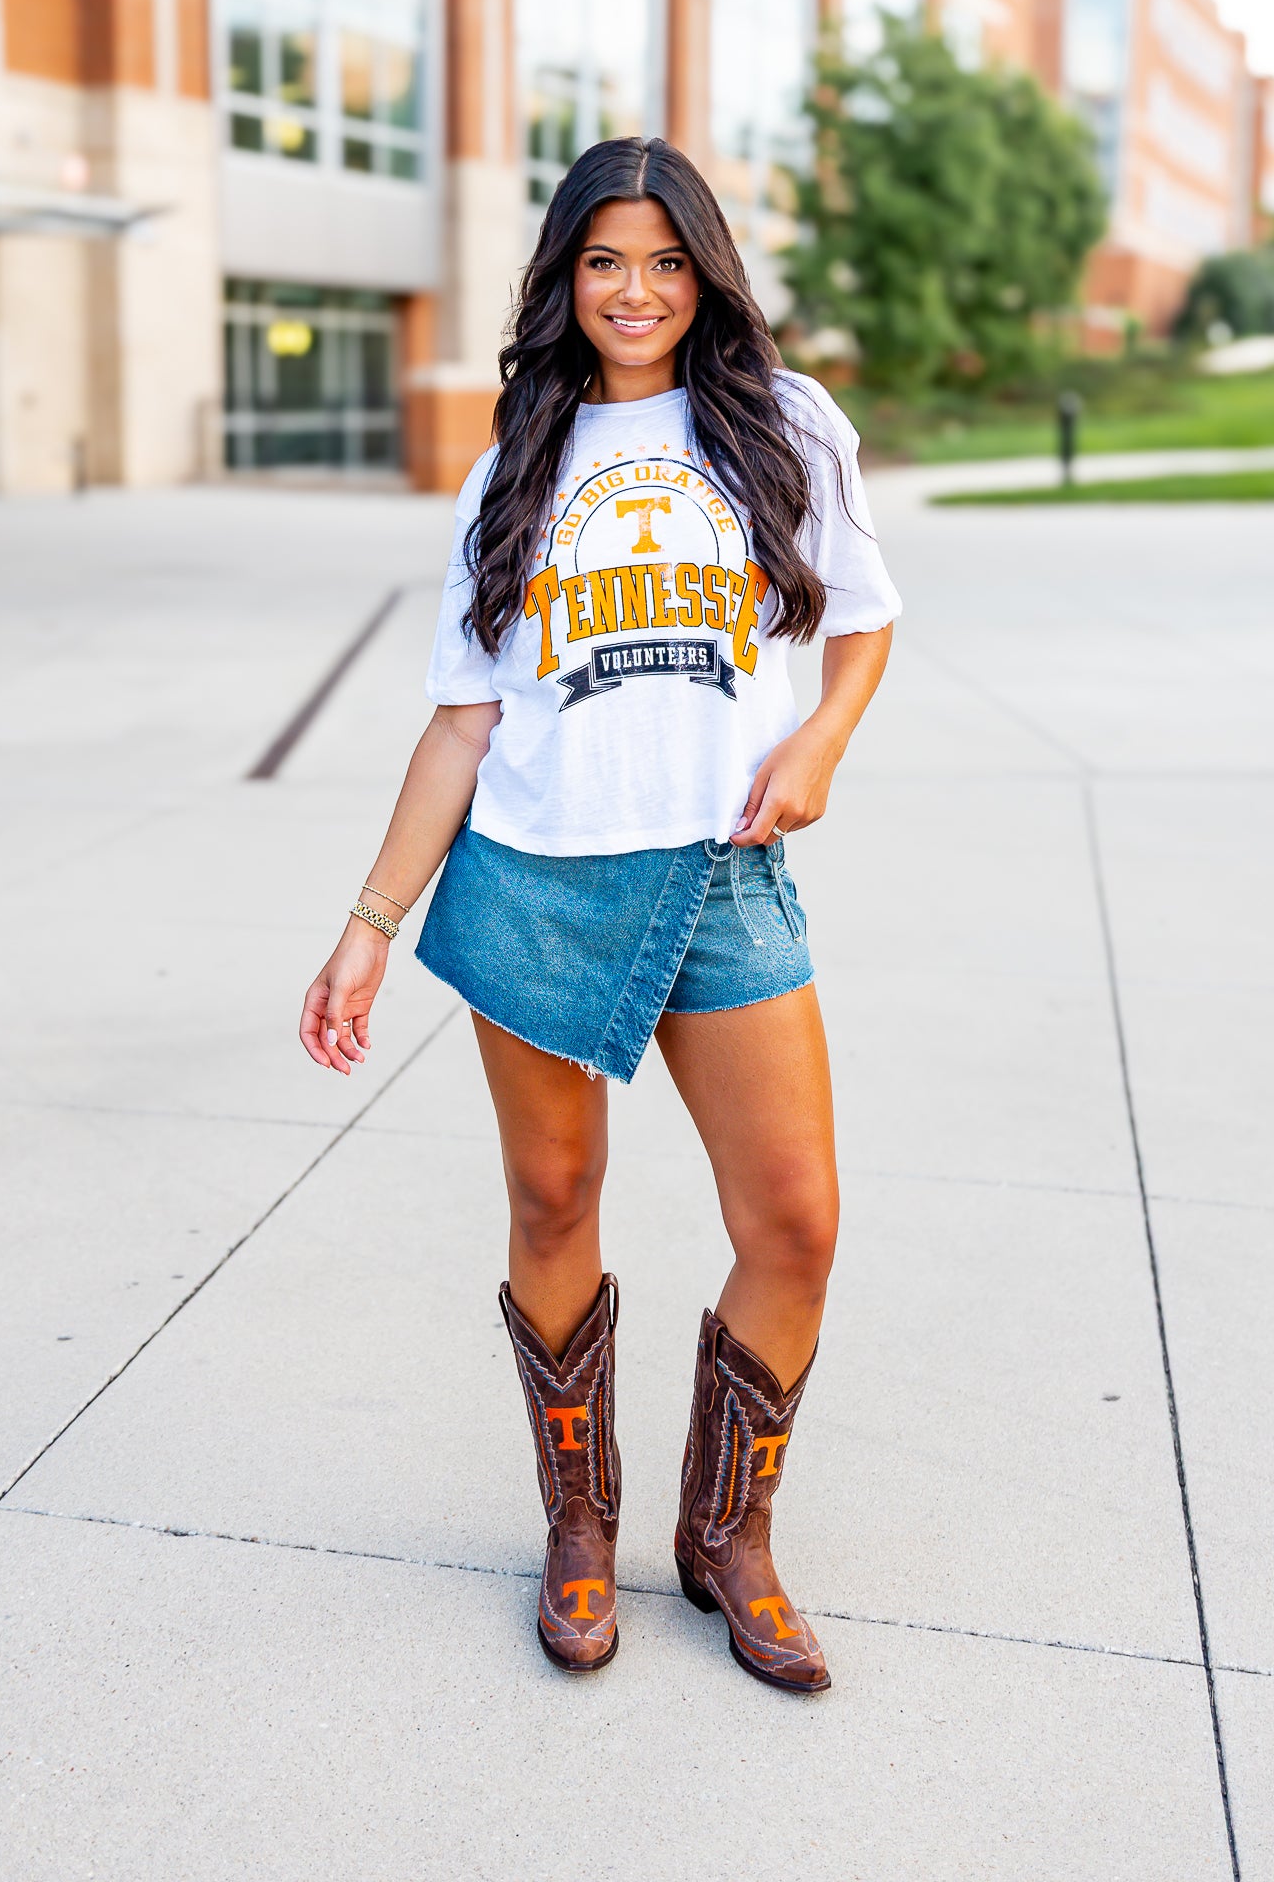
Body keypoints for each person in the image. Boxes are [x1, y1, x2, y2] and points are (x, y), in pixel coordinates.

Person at [300, 136, 899, 1693]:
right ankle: (580, 1520)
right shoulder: (517, 466)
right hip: (533, 880)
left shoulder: (783, 425)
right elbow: (462, 725)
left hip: (720, 875)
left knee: (796, 1221)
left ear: (707, 274)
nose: (636, 292)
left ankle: (730, 1535)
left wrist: (820, 745)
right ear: (565, 278)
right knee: (555, 1201)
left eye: (666, 262)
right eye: (605, 262)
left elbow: (864, 625)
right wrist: (371, 920)